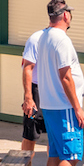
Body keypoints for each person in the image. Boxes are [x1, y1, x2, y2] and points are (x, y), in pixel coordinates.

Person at [35, 0, 84, 166]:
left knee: (56, 154)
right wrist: (77, 108)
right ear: (65, 15)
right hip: (64, 107)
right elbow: (65, 77)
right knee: (71, 156)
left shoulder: (44, 36)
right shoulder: (61, 40)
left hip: (50, 105)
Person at [20, 21, 49, 152]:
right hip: (36, 90)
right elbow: (27, 68)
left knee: (54, 136)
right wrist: (28, 98)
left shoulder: (62, 40)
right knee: (30, 135)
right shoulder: (36, 39)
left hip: (54, 92)